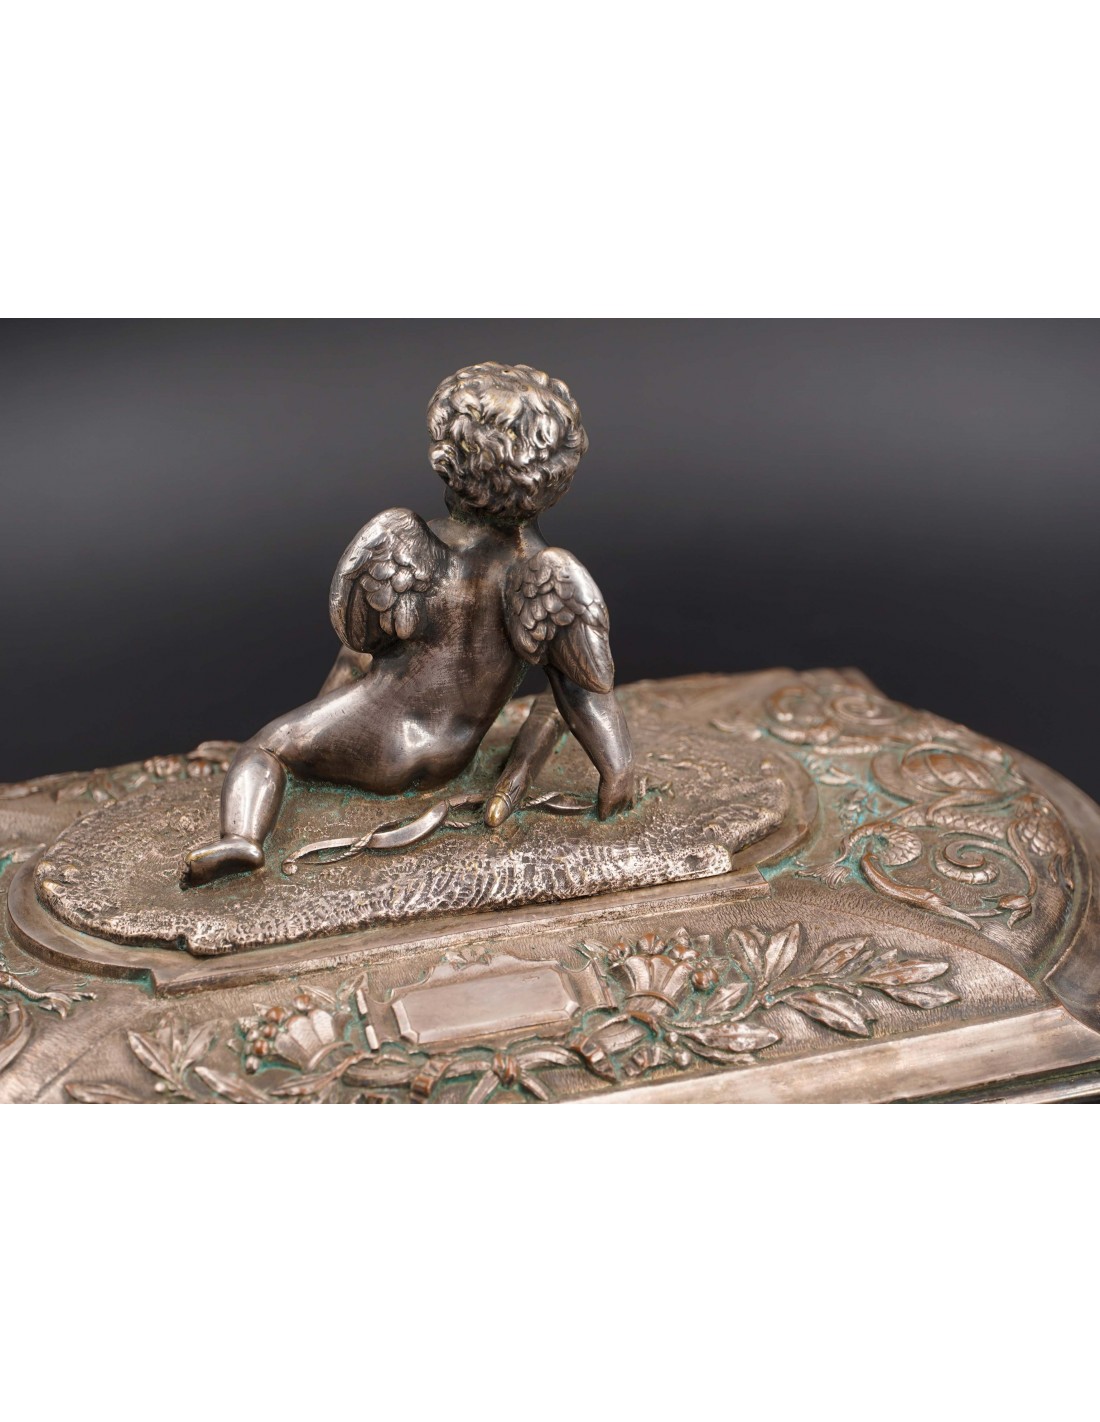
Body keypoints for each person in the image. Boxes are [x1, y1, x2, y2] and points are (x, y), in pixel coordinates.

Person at [183, 360, 635, 886]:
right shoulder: (546, 574)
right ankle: (309, 755)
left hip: (377, 741)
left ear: (447, 462)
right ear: (558, 472)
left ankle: (241, 839)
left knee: (264, 748)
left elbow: (361, 638)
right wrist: (617, 771)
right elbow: (582, 690)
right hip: (452, 754)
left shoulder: (406, 541)